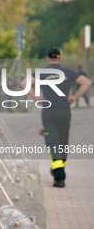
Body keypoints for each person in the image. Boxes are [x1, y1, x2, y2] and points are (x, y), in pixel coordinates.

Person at [20, 47, 92, 187]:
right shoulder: (68, 72)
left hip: (48, 112)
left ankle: (59, 177)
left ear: (48, 58)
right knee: (63, 141)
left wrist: (35, 98)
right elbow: (87, 83)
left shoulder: (41, 72)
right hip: (64, 111)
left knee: (53, 142)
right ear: (60, 58)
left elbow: (24, 83)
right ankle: (58, 171)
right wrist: (75, 96)